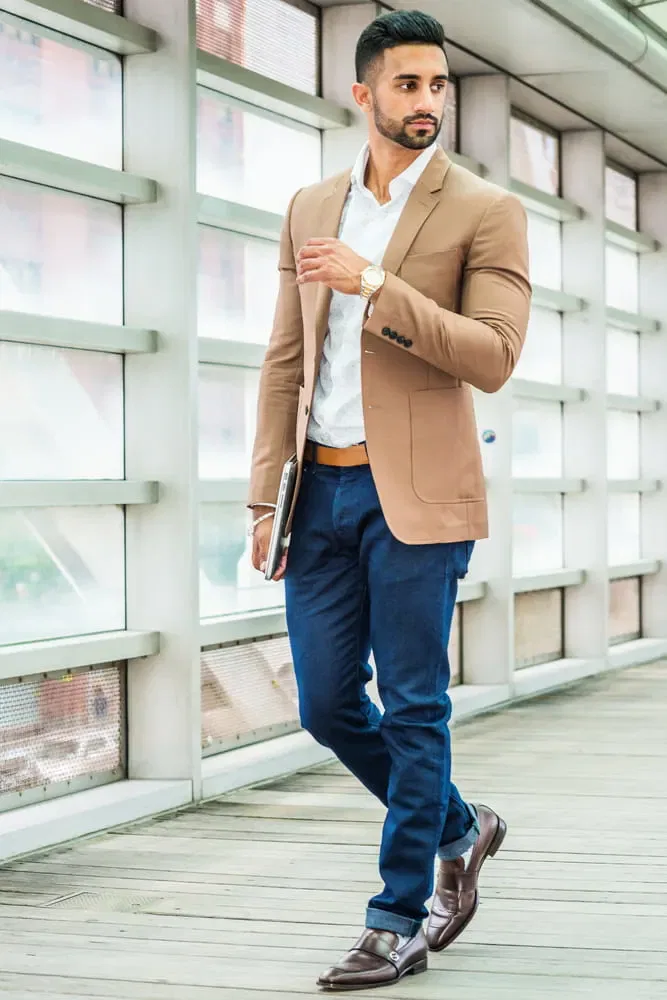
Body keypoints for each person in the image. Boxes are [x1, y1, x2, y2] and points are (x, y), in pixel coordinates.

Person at [248, 9, 531, 992]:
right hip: (316, 493)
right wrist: (264, 497)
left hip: (416, 494)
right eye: (407, 84)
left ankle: (394, 919)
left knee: (414, 707)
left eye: (437, 84)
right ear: (362, 93)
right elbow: (285, 359)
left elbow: (493, 354)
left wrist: (376, 284)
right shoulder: (309, 206)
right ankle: (460, 823)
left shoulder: (485, 210)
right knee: (327, 703)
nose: (426, 101)